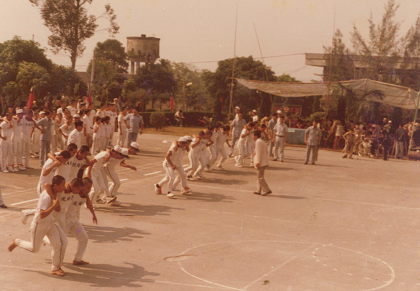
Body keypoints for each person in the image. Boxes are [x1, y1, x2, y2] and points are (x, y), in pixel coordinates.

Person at [8, 175, 67, 276]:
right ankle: (17, 241)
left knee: (58, 244)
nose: (64, 186)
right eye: (62, 184)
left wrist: (56, 206)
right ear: (56, 185)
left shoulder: (55, 192)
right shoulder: (46, 196)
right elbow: (42, 214)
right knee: (34, 249)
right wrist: (54, 206)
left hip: (50, 223)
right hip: (39, 224)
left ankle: (55, 268)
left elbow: (48, 185)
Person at [65, 177, 97, 265]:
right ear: (82, 186)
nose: (89, 190)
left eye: (90, 187)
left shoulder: (85, 195)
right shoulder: (72, 192)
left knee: (84, 237)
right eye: (88, 187)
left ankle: (77, 260)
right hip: (65, 221)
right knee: (60, 242)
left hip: (74, 222)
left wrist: (93, 215)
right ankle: (45, 238)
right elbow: (67, 184)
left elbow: (89, 204)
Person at [252, 130, 272, 196]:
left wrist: (257, 162)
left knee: (260, 177)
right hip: (263, 161)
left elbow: (258, 152)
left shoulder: (258, 142)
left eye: (253, 135)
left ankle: (267, 190)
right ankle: (258, 190)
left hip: (261, 162)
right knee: (259, 177)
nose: (252, 137)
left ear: (255, 136)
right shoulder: (260, 141)